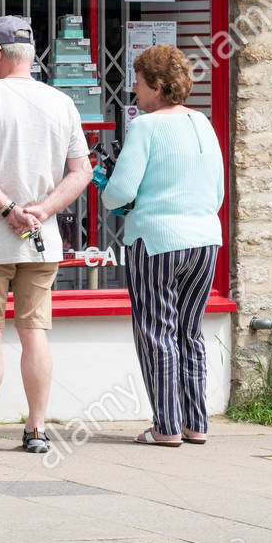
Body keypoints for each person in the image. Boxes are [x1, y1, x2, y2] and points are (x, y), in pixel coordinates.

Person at [0, 16, 93, 454]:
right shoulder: (61, 102)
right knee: (35, 332)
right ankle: (36, 430)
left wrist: (9, 210)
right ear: (30, 56)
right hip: (41, 238)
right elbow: (82, 171)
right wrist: (42, 211)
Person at [100, 44, 225, 447]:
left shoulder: (145, 127)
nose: (133, 90)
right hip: (205, 240)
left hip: (157, 241)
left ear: (157, 86)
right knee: (190, 332)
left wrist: (106, 188)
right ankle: (195, 423)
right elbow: (219, 192)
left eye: (138, 82)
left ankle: (166, 427)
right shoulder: (202, 123)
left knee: (157, 332)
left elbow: (119, 192)